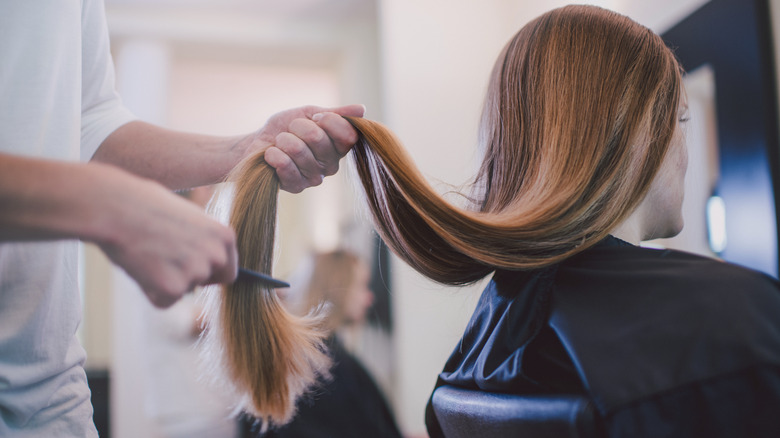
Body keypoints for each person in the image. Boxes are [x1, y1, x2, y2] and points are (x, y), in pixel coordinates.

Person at [343, 5, 780, 437]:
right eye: (681, 119)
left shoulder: (485, 339)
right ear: (638, 131)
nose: (685, 149)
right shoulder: (736, 321)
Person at [0, 1, 363, 436]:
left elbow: (90, 122)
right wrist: (103, 202)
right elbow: (181, 321)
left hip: (49, 393)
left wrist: (246, 148)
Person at [255, 250, 402, 438]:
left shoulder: (303, 357)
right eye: (362, 286)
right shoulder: (328, 366)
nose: (369, 298)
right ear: (338, 286)